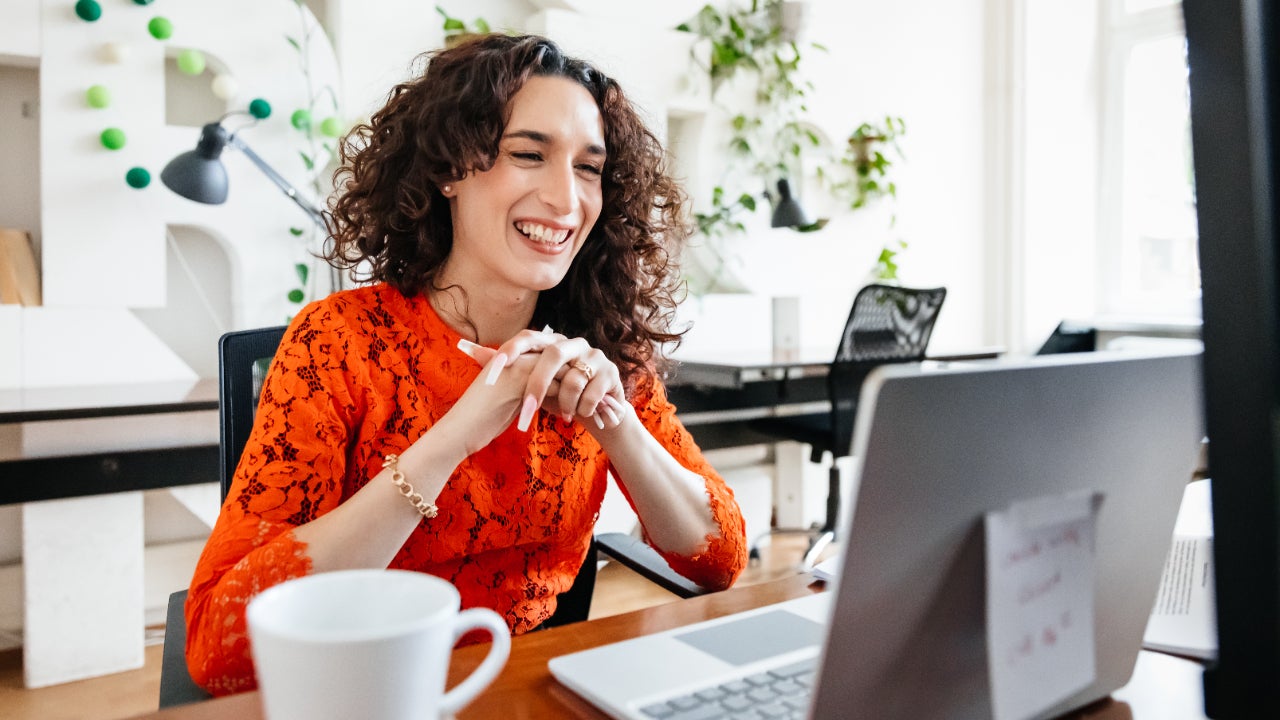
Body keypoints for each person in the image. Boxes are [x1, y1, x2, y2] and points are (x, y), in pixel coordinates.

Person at [184, 33, 748, 695]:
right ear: (449, 168)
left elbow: (721, 561)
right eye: (528, 154)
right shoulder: (338, 344)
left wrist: (614, 420)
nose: (566, 199)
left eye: (589, 168)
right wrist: (456, 437)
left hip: (535, 688)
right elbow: (217, 648)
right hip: (374, 690)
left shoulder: (602, 347)